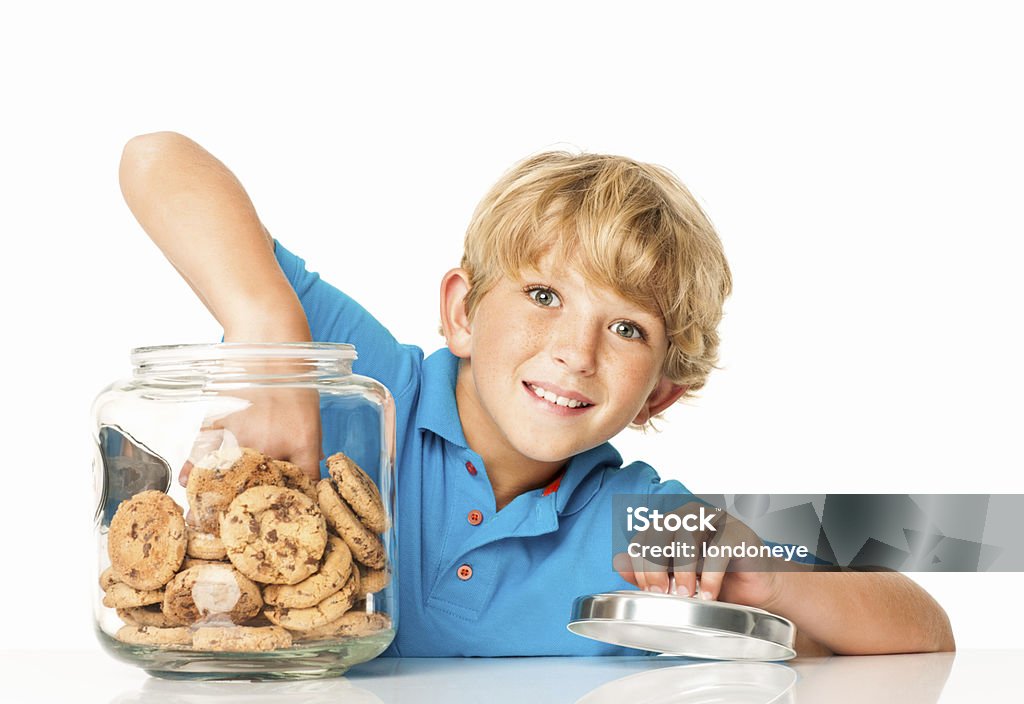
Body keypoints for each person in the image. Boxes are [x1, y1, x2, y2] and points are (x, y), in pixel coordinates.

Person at [118, 132, 955, 658]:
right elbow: (154, 159)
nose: (574, 352)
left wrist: (767, 579)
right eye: (545, 296)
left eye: (626, 328)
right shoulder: (353, 374)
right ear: (461, 312)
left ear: (660, 394)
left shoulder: (638, 522)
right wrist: (269, 336)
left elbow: (923, 626)